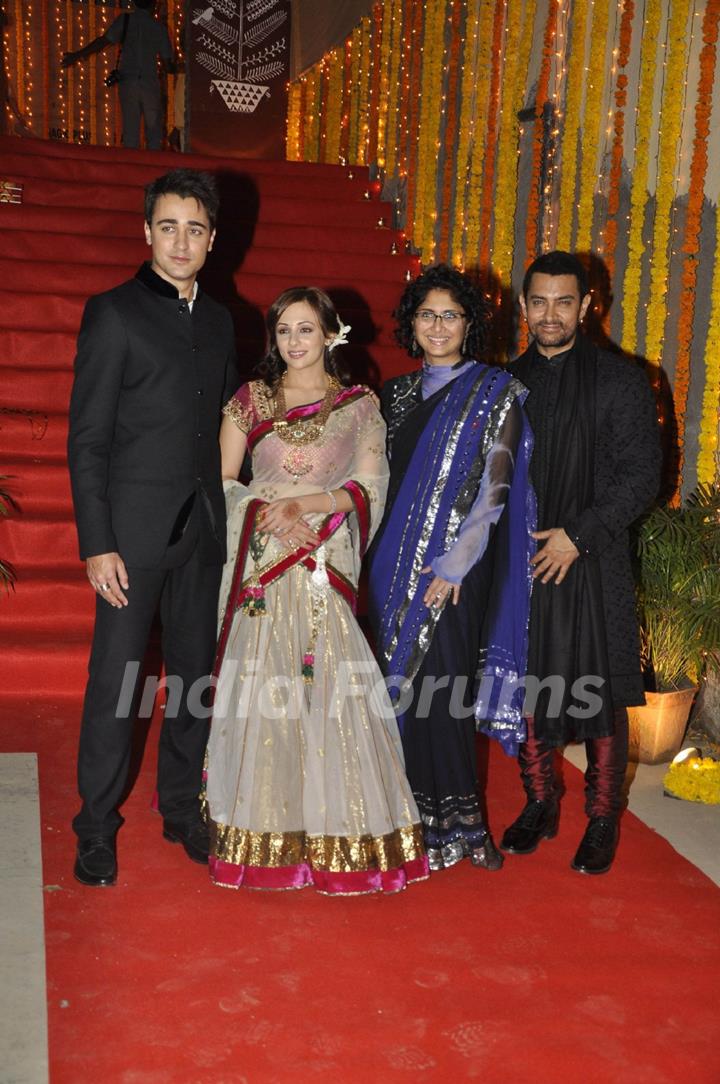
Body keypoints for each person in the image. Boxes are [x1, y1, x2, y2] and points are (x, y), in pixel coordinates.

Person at [205, 286, 429, 895]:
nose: (294, 342)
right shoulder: (249, 401)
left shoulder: (359, 406)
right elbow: (224, 482)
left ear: (332, 333)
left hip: (324, 564)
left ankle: (343, 836)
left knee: (331, 694)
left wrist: (312, 507)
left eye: (306, 329)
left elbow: (368, 487)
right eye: (284, 331)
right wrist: (264, 512)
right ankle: (264, 837)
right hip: (265, 568)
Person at [67, 168, 238, 886]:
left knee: (196, 679)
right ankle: (96, 828)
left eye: (194, 228)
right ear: (146, 231)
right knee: (118, 681)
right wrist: (96, 542)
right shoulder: (113, 313)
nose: (180, 241)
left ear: (212, 239)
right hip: (131, 539)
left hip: (202, 530)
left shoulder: (228, 319)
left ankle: (180, 809)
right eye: (167, 226)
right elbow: (89, 440)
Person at [367, 264, 536, 873]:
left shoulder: (497, 392)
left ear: (470, 323)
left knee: (444, 695)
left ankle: (461, 828)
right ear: (412, 323)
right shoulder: (394, 396)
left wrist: (453, 566)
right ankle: (403, 823)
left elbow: (496, 489)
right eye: (427, 314)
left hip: (456, 573)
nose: (438, 326)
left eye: (451, 315)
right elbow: (378, 483)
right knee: (399, 695)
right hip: (388, 568)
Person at [501, 250, 661, 874]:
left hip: (592, 559)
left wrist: (579, 534)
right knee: (531, 689)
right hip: (525, 563)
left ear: (587, 306)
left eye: (563, 302)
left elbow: (641, 475)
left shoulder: (623, 380)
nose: (550, 314)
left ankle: (601, 819)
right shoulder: (505, 385)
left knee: (598, 694)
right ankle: (539, 802)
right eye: (538, 302)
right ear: (523, 306)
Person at [62, 0, 173, 151]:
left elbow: (103, 41)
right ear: (154, 5)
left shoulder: (125, 20)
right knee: (153, 133)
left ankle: (128, 168)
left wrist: (78, 55)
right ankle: (152, 167)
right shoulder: (159, 28)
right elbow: (168, 65)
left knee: (130, 131)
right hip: (149, 83)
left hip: (128, 82)